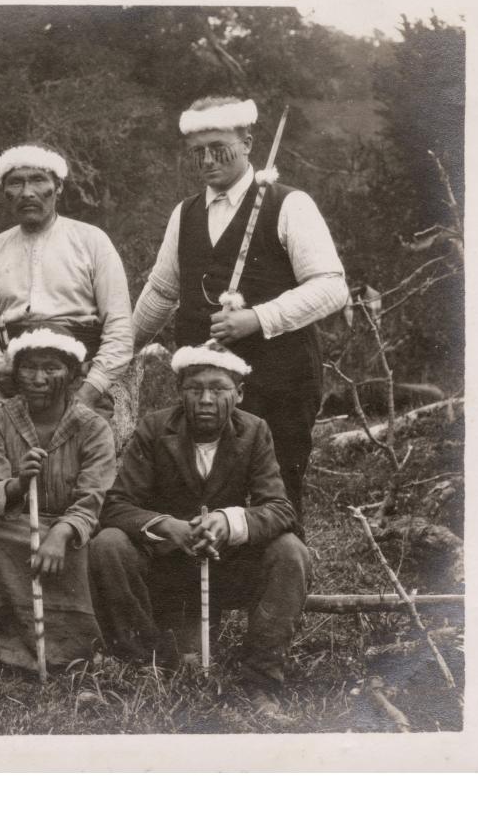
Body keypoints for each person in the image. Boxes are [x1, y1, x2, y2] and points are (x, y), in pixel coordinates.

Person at [131, 97, 348, 516]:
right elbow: (161, 292)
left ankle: (283, 577)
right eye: (198, 153)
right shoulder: (185, 213)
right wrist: (121, 350)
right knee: (206, 496)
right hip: (205, 389)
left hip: (281, 385)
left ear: (247, 142)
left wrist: (258, 318)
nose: (208, 160)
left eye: (219, 147)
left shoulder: (289, 204)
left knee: (277, 499)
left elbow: (331, 286)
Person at [89, 344, 309, 696]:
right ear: (180, 392)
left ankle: (261, 678)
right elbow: (116, 505)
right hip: (166, 570)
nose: (206, 399)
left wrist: (229, 523)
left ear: (238, 394)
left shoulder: (254, 431)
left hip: (227, 568)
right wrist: (168, 527)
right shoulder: (155, 428)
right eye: (195, 389)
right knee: (108, 544)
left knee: (291, 550)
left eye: (219, 389)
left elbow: (280, 509)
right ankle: (141, 667)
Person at [0, 329, 117, 673]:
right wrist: (18, 485)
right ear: (15, 373)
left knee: (96, 544)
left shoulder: (93, 427)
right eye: (28, 368)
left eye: (51, 368)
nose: (38, 379)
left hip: (74, 532)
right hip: (16, 523)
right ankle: (10, 639)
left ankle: (75, 648)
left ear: (73, 375)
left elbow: (93, 497)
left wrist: (62, 533)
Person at [0, 144, 133, 416]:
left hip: (75, 373)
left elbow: (120, 328)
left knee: (85, 439)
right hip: (10, 374)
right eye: (16, 183)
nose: (27, 192)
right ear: (5, 192)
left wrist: (90, 389)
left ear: (58, 186)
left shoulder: (92, 241)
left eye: (38, 180)